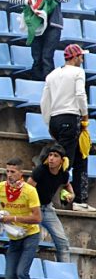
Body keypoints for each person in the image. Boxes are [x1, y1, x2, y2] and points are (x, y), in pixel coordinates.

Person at [41, 43, 93, 211]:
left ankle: (79, 199)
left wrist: (48, 122)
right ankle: (44, 197)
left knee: (80, 157)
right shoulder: (78, 72)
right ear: (75, 57)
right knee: (63, 162)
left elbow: (44, 102)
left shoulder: (52, 75)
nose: (82, 59)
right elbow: (80, 94)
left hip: (55, 119)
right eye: (81, 56)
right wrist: (85, 115)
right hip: (71, 118)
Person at [0, 158, 42, 279]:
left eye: (13, 172)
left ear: (21, 173)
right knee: (9, 276)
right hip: (14, 236)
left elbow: (37, 218)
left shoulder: (30, 191)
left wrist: (13, 218)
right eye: (7, 171)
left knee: (21, 273)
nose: (9, 174)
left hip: (30, 235)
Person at [9, 0, 70, 81]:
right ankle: (37, 84)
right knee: (36, 57)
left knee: (47, 57)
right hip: (35, 24)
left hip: (53, 24)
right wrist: (27, 1)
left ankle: (49, 85)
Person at [27, 144, 73, 262]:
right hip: (32, 209)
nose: (51, 158)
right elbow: (27, 190)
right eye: (50, 155)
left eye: (55, 156)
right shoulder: (40, 170)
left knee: (63, 243)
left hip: (47, 209)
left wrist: (71, 195)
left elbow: (67, 185)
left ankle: (64, 273)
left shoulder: (64, 174)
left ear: (62, 161)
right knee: (31, 243)